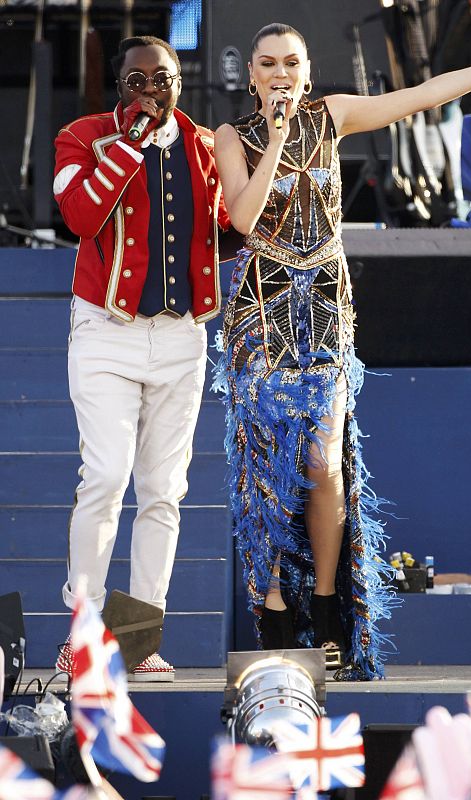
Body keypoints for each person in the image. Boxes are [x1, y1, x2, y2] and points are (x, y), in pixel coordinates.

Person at [213, 21, 471, 681]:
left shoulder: (333, 115)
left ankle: (323, 612)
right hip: (259, 318)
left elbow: (426, 95)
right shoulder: (232, 137)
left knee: (321, 463)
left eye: (291, 62)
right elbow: (240, 216)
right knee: (264, 475)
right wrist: (278, 139)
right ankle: (274, 619)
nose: (280, 73)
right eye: (268, 64)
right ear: (253, 75)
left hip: (322, 310)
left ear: (307, 70)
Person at [53, 35, 229, 681]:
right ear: (118, 84)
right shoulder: (84, 135)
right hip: (106, 329)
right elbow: (77, 214)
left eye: (164, 78)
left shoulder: (207, 145)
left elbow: (231, 227)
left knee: (163, 491)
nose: (152, 90)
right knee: (103, 477)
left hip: (182, 336)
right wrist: (130, 140)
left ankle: (135, 636)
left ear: (182, 81)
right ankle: (83, 631)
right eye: (136, 80)